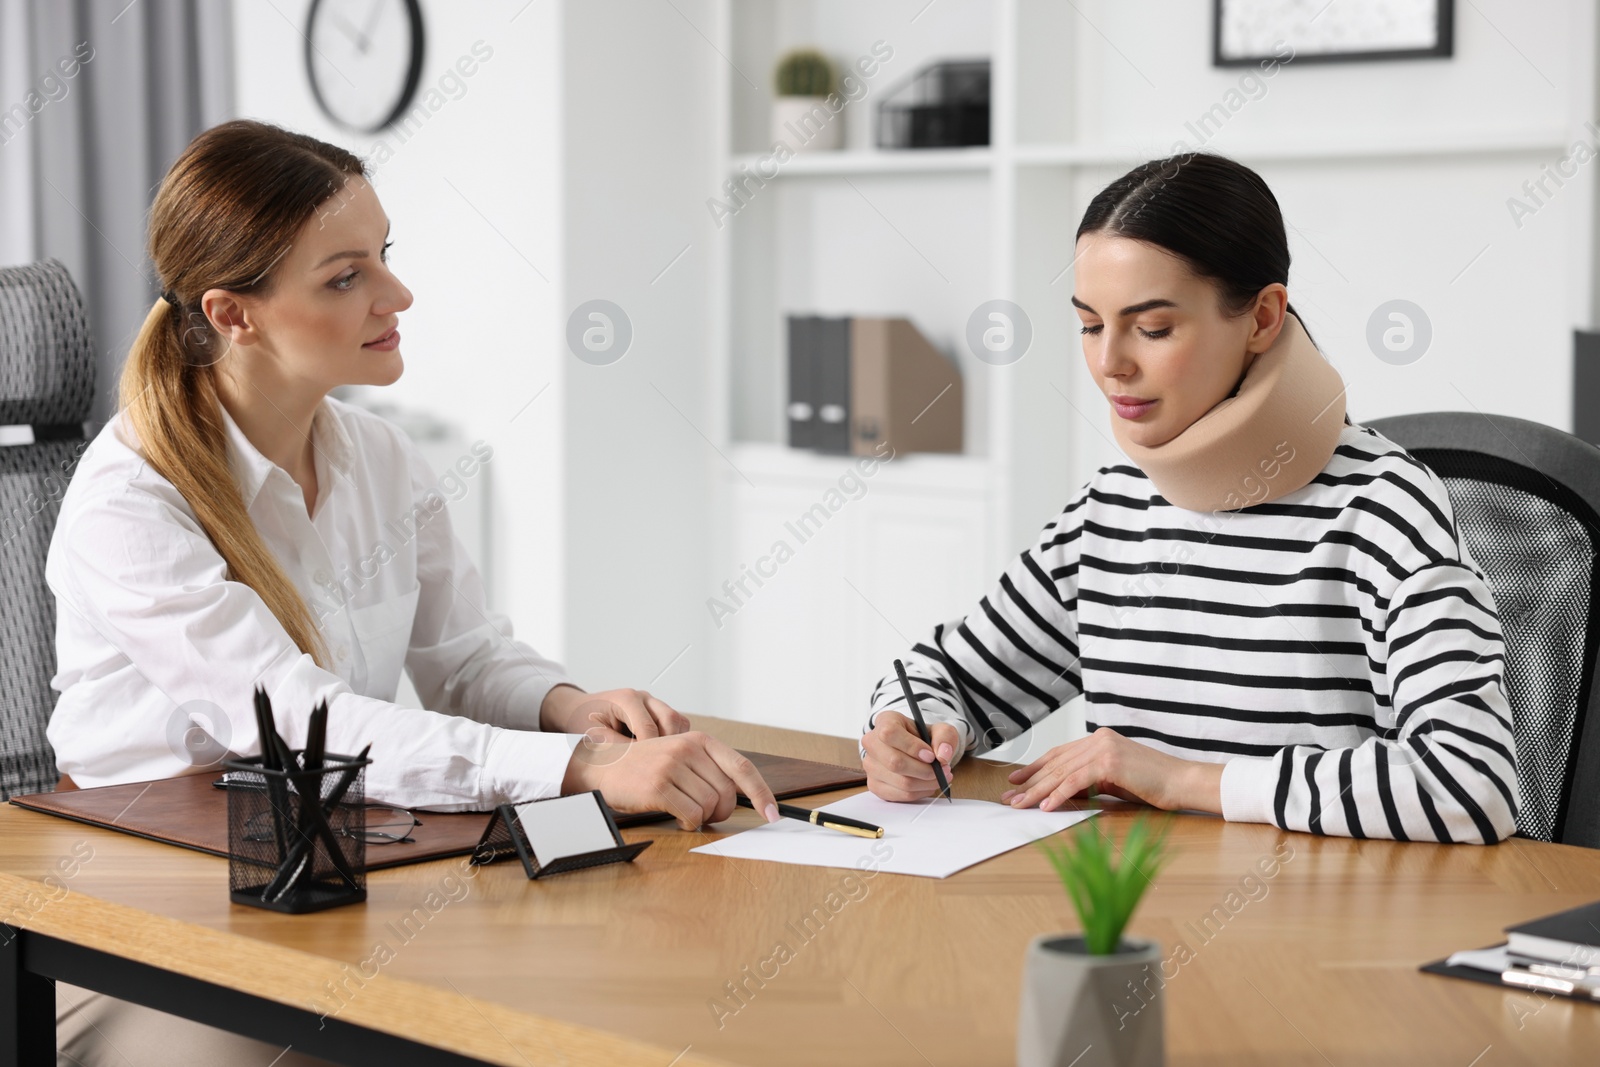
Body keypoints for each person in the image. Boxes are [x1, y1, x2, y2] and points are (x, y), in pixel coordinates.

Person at [46, 119, 778, 1066]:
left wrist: (571, 711)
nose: (397, 294)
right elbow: (311, 730)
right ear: (234, 313)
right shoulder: (132, 501)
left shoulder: (381, 455)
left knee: (575, 993)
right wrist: (581, 770)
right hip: (136, 910)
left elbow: (464, 657)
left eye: (384, 256)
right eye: (345, 277)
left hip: (325, 874)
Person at [859, 152, 1519, 845]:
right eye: (1089, 324)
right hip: (1135, 914)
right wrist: (906, 732)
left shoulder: (1383, 505)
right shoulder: (1112, 510)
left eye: (1152, 328)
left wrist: (1180, 779)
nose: (1111, 360)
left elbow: (1470, 784)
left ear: (1263, 317)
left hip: (1322, 925)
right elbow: (936, 678)